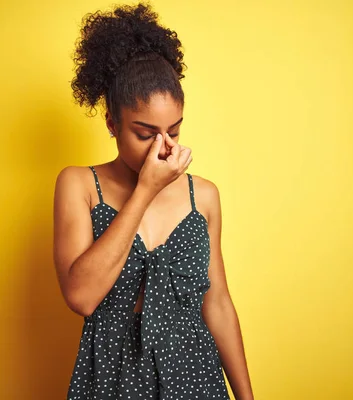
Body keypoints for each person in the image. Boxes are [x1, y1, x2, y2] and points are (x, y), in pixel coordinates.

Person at [53, 3, 253, 399]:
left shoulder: (204, 196)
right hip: (112, 374)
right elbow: (81, 297)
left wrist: (247, 397)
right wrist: (145, 190)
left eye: (174, 131)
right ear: (112, 122)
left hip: (195, 373)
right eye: (145, 133)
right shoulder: (79, 184)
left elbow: (218, 304)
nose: (162, 147)